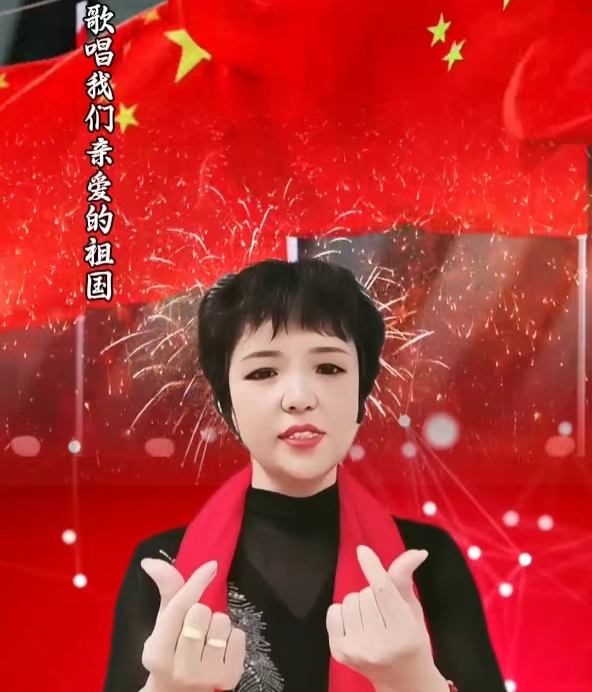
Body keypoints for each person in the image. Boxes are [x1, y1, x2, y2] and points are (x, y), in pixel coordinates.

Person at [103, 259, 506, 692]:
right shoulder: (164, 568)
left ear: (361, 395)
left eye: (329, 368)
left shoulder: (426, 561)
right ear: (226, 406)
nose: (299, 397)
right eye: (263, 372)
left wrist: (414, 680)